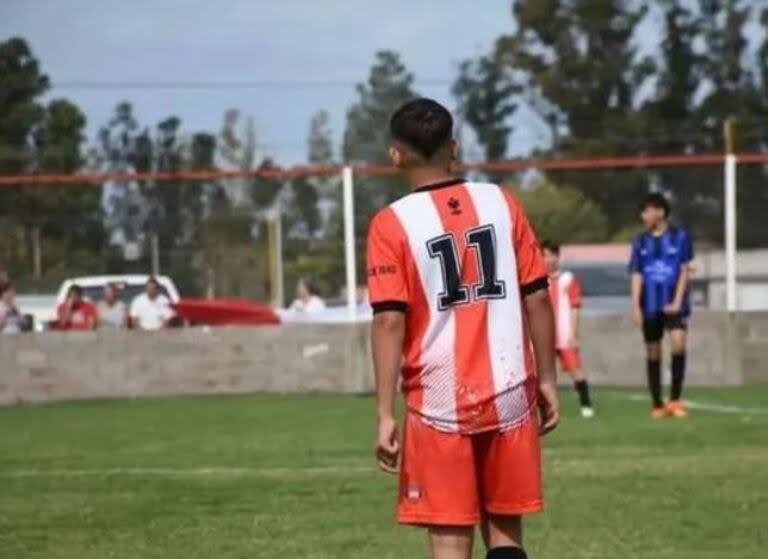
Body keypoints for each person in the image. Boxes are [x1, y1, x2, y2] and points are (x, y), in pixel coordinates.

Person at [367, 98, 559, 559]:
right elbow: (536, 296)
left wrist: (384, 413)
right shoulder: (501, 202)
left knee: (450, 535)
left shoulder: (390, 224)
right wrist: (549, 380)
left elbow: (390, 319)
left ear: (396, 155)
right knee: (506, 528)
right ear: (454, 147)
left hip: (439, 401)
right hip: (510, 389)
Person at [629, 193, 694, 419]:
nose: (643, 216)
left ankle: (675, 400)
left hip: (675, 305)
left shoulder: (680, 237)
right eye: (643, 211)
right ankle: (657, 403)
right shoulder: (640, 241)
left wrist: (677, 301)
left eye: (647, 211)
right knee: (653, 351)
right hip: (650, 305)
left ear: (660, 212)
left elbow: (685, 270)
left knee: (678, 343)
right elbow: (637, 274)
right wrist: (635, 306)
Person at [542, 241, 595, 418]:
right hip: (545, 335)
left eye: (550, 255)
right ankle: (547, 409)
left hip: (564, 334)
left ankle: (586, 405)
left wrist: (574, 332)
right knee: (544, 373)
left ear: (557, 257)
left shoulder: (568, 280)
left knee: (575, 369)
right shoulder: (539, 281)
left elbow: (575, 306)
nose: (547, 259)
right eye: (544, 255)